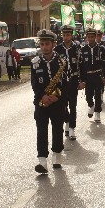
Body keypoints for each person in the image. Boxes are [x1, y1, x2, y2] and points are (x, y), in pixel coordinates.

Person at [31, 29, 68, 173]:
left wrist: (57, 96)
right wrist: (43, 96)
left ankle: (57, 156)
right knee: (41, 131)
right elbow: (34, 84)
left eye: (47, 44)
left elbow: (65, 82)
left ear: (53, 44)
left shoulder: (60, 62)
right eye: (42, 44)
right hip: (41, 102)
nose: (44, 47)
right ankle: (42, 161)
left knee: (57, 128)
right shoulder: (35, 63)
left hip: (57, 101)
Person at [54, 25, 82, 140]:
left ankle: (71, 128)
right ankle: (67, 121)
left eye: (68, 35)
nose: (66, 37)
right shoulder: (58, 50)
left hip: (73, 81)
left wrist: (82, 81)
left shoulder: (76, 48)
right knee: (63, 105)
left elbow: (81, 65)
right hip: (62, 82)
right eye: (64, 35)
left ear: (71, 35)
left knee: (73, 105)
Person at [79, 28, 105, 124]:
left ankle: (97, 113)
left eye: (92, 37)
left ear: (95, 37)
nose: (90, 39)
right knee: (88, 96)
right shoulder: (83, 49)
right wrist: (82, 80)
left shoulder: (101, 49)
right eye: (89, 37)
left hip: (98, 75)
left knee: (98, 95)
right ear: (87, 38)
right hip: (88, 76)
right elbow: (81, 66)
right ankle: (91, 105)